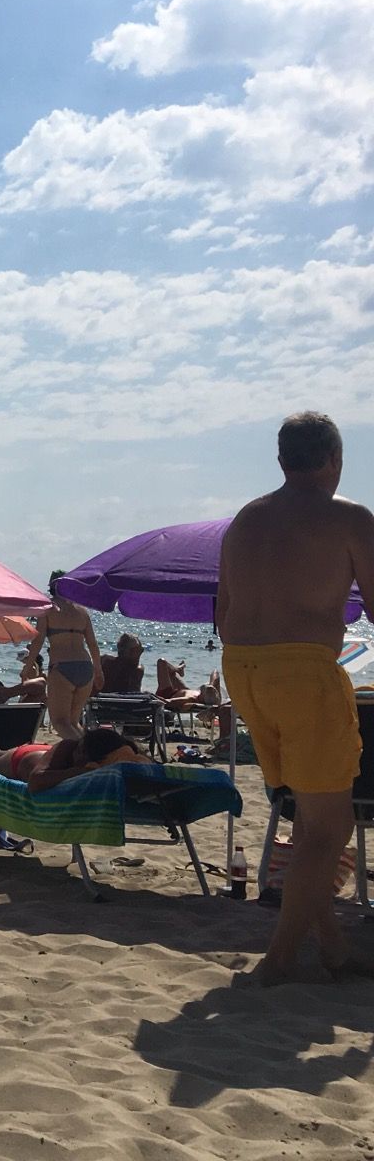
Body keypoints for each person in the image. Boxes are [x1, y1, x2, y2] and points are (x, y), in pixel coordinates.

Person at [217, 411, 374, 984]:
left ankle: (331, 947)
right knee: (331, 830)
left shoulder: (245, 520)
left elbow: (222, 612)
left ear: (282, 462)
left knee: (310, 818)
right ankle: (280, 959)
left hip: (242, 669)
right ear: (335, 459)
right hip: (302, 672)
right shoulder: (349, 517)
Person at [0, 726, 145, 794]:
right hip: (23, 761)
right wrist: (79, 771)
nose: (77, 753)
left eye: (82, 750)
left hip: (41, 753)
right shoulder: (69, 748)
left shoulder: (108, 758)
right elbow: (35, 782)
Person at [27, 572, 103, 740]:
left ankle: (83, 753)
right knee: (73, 722)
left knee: (60, 721)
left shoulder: (48, 610)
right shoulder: (82, 611)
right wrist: (98, 670)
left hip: (62, 667)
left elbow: (38, 641)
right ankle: (89, 752)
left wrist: (27, 667)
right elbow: (93, 644)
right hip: (85, 667)